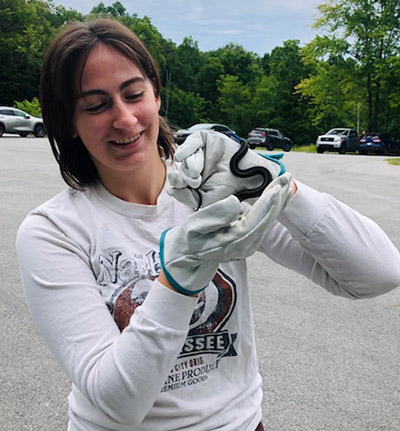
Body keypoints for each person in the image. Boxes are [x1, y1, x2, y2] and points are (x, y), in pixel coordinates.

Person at [15, 18, 400, 431]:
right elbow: (117, 404)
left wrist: (273, 183)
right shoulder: (52, 231)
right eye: (96, 105)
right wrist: (178, 280)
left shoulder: (213, 191)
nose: (125, 119)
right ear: (69, 123)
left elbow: (378, 273)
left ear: (157, 94)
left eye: (133, 94)